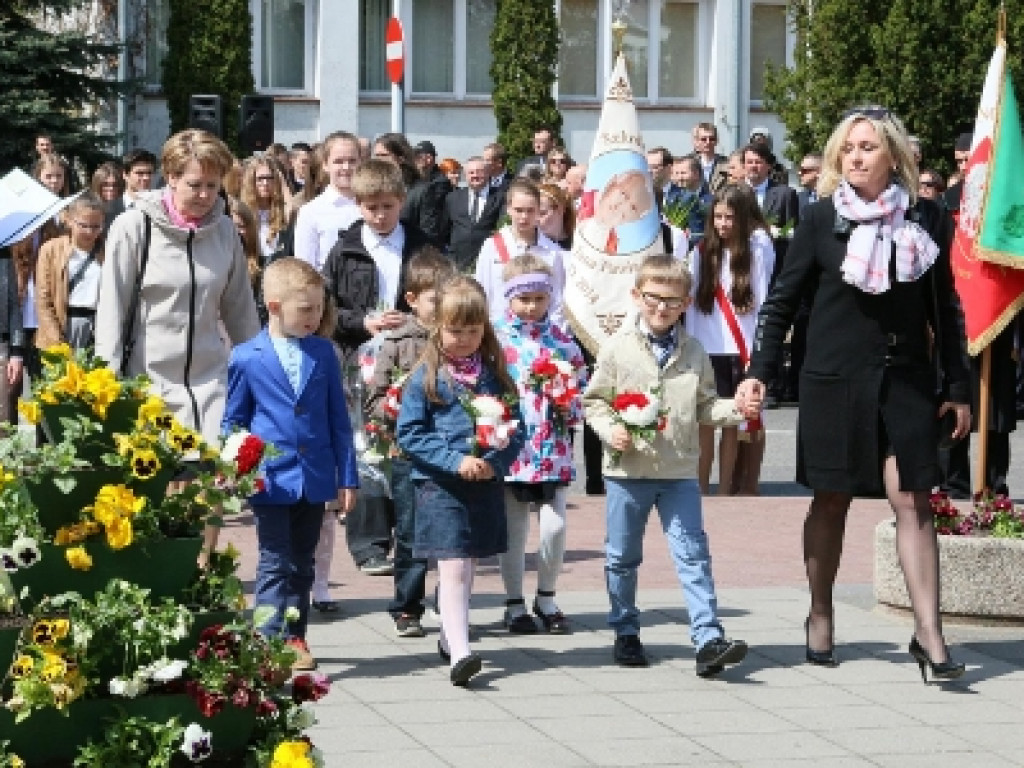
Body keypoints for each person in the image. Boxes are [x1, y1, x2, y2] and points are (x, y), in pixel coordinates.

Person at [736, 107, 971, 679]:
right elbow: (782, 301)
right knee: (831, 499)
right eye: (848, 148)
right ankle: (820, 613)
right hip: (834, 381)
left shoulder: (926, 217)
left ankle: (930, 635)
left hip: (906, 380)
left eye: (868, 147)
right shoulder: (821, 219)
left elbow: (946, 307)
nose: (856, 157)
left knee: (913, 500)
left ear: (893, 155)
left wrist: (958, 386)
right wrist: (758, 370)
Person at [95, 129, 261, 563]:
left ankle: (201, 573)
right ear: (169, 177)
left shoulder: (224, 232)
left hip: (209, 380)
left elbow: (241, 311)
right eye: (194, 184)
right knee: (161, 489)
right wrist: (106, 384)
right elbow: (111, 309)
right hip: (149, 381)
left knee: (210, 485)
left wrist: (262, 373)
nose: (204, 195)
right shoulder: (134, 227)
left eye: (213, 185)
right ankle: (160, 574)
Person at [583, 254, 748, 675]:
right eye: (654, 298)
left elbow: (706, 406)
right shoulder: (617, 348)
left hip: (679, 472)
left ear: (686, 304)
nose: (662, 308)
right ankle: (625, 629)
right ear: (637, 296)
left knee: (693, 554)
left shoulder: (694, 351)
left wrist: (738, 409)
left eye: (672, 301)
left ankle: (708, 639)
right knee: (622, 556)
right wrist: (610, 430)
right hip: (628, 472)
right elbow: (595, 402)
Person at [222, 257, 358, 671]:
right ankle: (266, 638)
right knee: (274, 559)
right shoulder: (247, 357)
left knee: (303, 561)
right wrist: (235, 465)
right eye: (306, 309)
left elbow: (338, 419)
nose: (315, 316)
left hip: (314, 476)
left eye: (319, 307)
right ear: (275, 306)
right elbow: (234, 420)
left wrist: (347, 477)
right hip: (270, 478)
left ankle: (295, 637)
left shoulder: (324, 353)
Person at [396, 275, 524, 686]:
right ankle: (462, 652)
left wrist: (495, 461)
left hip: (483, 484)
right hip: (440, 487)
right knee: (451, 565)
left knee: (468, 564)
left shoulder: (495, 376)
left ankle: (451, 637)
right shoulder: (426, 377)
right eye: (455, 330)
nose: (465, 339)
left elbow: (515, 428)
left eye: (473, 330)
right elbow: (410, 433)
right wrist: (455, 461)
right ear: (437, 328)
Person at [323, 158, 430, 577]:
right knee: (366, 445)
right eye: (371, 208)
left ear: (401, 201)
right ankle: (369, 542)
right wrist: (362, 321)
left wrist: (414, 318)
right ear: (358, 205)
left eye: (388, 206)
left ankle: (411, 535)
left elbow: (440, 295)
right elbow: (328, 307)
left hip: (412, 357)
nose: (380, 215)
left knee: (407, 441)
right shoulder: (345, 250)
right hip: (361, 358)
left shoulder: (421, 246)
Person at [365, 248, 456, 637]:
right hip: (409, 452)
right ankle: (406, 606)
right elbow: (374, 399)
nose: (442, 308)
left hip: (451, 451)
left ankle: (448, 601)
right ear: (412, 299)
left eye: (448, 299)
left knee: (451, 531)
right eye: (435, 300)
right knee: (410, 530)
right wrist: (395, 408)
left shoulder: (458, 338)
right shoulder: (397, 342)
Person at [494, 253, 586, 635]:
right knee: (514, 529)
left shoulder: (562, 340)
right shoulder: (496, 339)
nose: (531, 307)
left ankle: (546, 597)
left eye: (539, 298)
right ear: (509, 297)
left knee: (554, 526)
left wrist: (568, 401)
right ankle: (514, 602)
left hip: (551, 447)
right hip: (513, 448)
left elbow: (580, 385)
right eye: (523, 299)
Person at [686, 184, 774, 495]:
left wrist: (757, 354)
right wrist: (691, 349)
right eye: (718, 217)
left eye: (730, 217)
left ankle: (725, 490)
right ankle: (700, 489)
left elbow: (762, 304)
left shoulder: (754, 253)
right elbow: (692, 308)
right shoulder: (699, 253)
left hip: (740, 350)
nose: (723, 224)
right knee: (705, 424)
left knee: (733, 425)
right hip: (707, 349)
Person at [475, 179, 567, 330]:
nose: (524, 217)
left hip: (540, 335)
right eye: (519, 210)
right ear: (508, 209)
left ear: (538, 211)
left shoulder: (553, 252)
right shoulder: (492, 246)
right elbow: (481, 292)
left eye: (530, 210)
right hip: (499, 332)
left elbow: (558, 301)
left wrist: (555, 336)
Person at [35, 193, 106, 351]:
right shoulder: (51, 250)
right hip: (61, 324)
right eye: (83, 225)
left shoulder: (107, 251)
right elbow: (43, 299)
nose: (90, 232)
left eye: (96, 226)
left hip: (96, 327)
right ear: (69, 220)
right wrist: (56, 340)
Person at [293, 131, 361, 272]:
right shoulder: (311, 212)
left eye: (352, 161)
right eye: (338, 161)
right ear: (325, 165)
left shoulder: (372, 207)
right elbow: (305, 268)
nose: (346, 167)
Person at [440, 156, 503, 272]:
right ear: (465, 175)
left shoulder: (501, 197)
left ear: (488, 172)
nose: (475, 176)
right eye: (471, 172)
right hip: (458, 263)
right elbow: (445, 230)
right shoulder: (452, 198)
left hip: (489, 263)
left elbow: (502, 229)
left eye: (479, 172)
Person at [240, 156, 290, 264]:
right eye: (260, 179)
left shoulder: (282, 210)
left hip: (277, 267)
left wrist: (282, 184)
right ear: (251, 181)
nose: (265, 183)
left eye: (269, 178)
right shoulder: (242, 211)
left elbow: (292, 208)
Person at [684, 122, 729, 193]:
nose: (708, 142)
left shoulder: (726, 164)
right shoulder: (687, 163)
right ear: (696, 141)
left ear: (717, 141)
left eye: (712, 139)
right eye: (703, 139)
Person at [537, 183, 575, 250]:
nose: (536, 219)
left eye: (542, 213)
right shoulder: (532, 243)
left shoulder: (578, 243)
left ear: (561, 209)